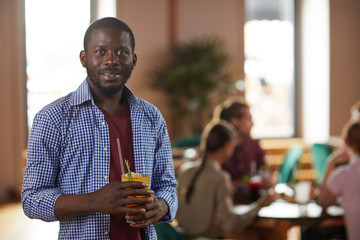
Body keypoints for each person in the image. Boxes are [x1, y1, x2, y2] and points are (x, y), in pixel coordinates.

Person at [21, 17, 178, 240]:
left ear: (133, 60)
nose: (111, 60)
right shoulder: (52, 118)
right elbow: (31, 199)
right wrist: (93, 200)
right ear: (84, 58)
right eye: (100, 51)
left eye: (121, 52)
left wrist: (162, 206)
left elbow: (167, 185)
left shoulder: (152, 117)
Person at [176, 120, 279, 240]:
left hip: (182, 235)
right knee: (269, 235)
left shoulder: (185, 170)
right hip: (206, 237)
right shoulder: (220, 178)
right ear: (227, 146)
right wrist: (260, 205)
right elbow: (231, 224)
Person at [213, 97, 273, 190]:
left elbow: (265, 170)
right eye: (249, 119)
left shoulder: (253, 145)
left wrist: (268, 179)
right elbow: (212, 184)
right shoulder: (216, 148)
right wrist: (242, 184)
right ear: (235, 121)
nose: (253, 124)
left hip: (251, 201)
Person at [316, 121, 360, 240]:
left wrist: (330, 164)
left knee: (313, 232)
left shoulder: (343, 175)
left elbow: (323, 202)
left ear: (345, 142)